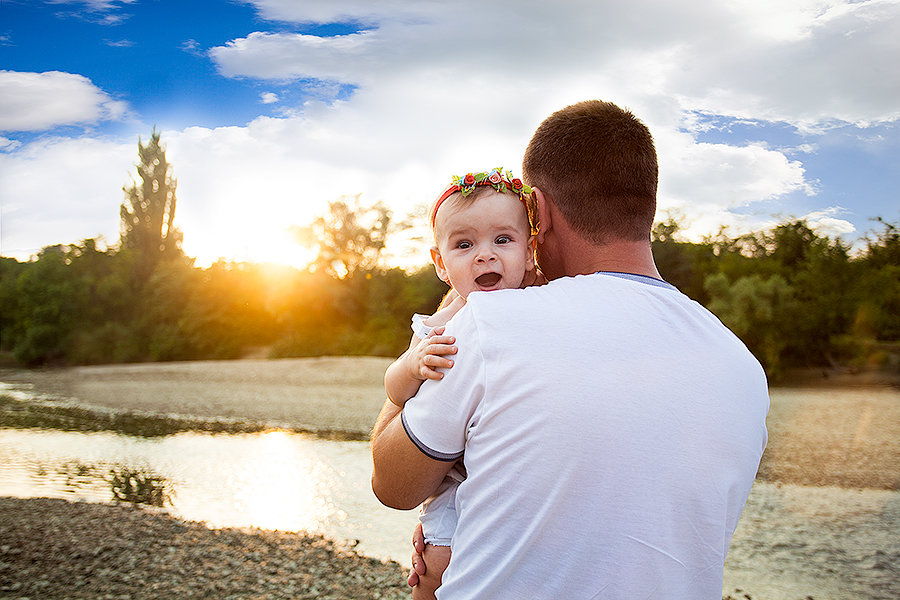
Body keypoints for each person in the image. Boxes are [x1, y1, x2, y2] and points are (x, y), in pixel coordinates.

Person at [371, 100, 769, 599]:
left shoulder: (490, 324)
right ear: (645, 206)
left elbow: (393, 485)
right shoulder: (742, 367)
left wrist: (456, 296)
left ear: (536, 210)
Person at [383, 167, 541, 599]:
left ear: (531, 252)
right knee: (438, 565)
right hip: (451, 480)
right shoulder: (443, 325)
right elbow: (394, 389)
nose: (485, 255)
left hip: (508, 484)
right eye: (464, 244)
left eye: (503, 240)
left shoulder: (541, 304)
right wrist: (413, 366)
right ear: (441, 264)